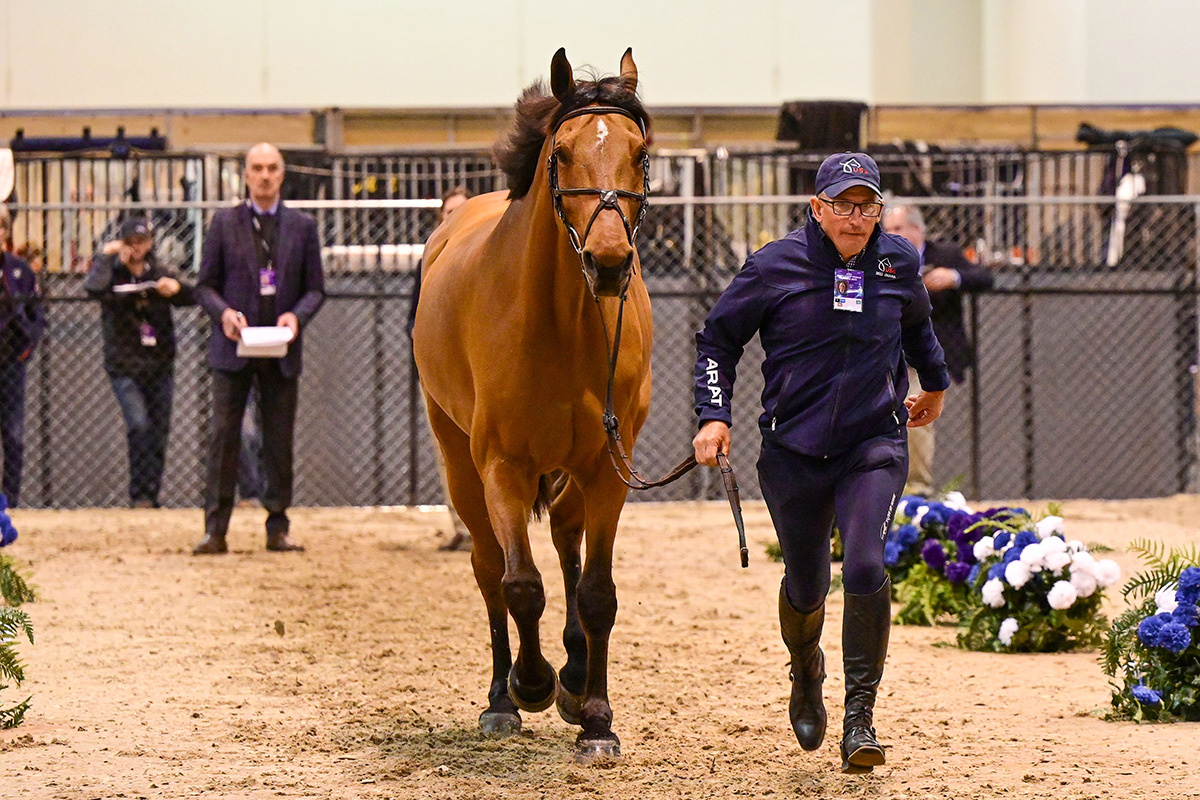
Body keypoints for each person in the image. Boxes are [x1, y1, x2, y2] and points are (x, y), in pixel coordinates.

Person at [692, 152, 949, 773]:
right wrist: (713, 413)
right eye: (843, 205)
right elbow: (718, 340)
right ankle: (806, 671)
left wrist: (935, 383)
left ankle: (860, 717)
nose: (856, 218)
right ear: (817, 207)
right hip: (792, 452)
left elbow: (918, 327)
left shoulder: (897, 261)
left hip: (873, 445)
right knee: (805, 586)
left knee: (864, 563)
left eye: (868, 206)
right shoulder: (773, 266)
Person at [192, 142, 325, 555]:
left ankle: (278, 527)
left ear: (282, 175)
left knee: (278, 440)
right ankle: (216, 530)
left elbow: (316, 289)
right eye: (257, 168)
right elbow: (204, 286)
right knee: (224, 438)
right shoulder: (224, 223)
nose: (265, 175)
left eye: (272, 168)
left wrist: (295, 318)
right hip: (233, 350)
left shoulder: (302, 227)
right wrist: (224, 314)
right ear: (246, 176)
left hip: (280, 351)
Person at [883, 203, 993, 496]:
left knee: (914, 414)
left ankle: (917, 489)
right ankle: (885, 488)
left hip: (928, 354)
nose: (890, 234)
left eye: (897, 228)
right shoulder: (880, 258)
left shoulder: (944, 255)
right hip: (886, 352)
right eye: (887, 229)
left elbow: (985, 279)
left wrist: (953, 277)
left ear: (916, 230)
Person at [84, 217, 195, 508]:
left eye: (141, 242)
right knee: (138, 425)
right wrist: (104, 257)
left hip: (159, 365)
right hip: (124, 366)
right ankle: (138, 493)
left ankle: (150, 495)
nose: (136, 248)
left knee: (159, 430)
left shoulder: (158, 272)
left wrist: (178, 288)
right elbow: (93, 288)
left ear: (150, 243)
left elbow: (191, 297)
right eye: (130, 242)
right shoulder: (113, 275)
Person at [407, 186, 472, 551]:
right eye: (449, 213)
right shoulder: (429, 261)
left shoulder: (487, 258)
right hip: (440, 377)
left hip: (479, 377)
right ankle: (464, 528)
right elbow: (414, 318)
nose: (455, 219)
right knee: (449, 453)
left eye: (463, 212)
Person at [0, 208, 45, 508]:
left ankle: (10, 501)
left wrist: (26, 348)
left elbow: (37, 314)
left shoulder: (19, 271)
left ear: (4, 233)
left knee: (13, 436)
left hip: (11, 363)